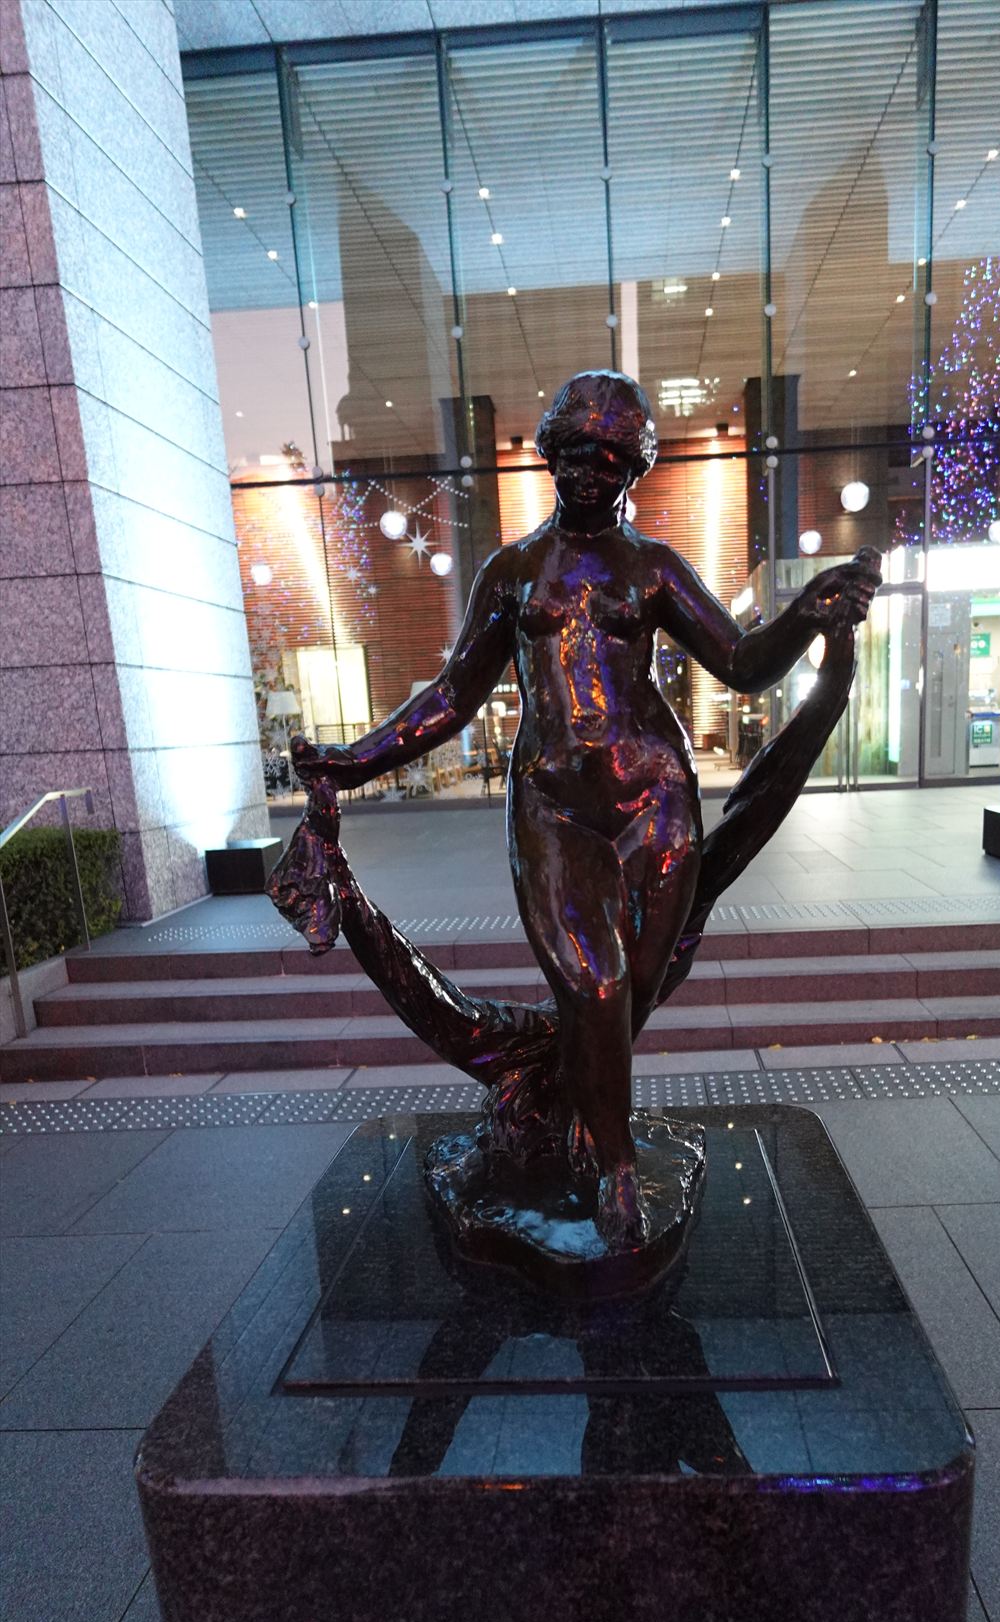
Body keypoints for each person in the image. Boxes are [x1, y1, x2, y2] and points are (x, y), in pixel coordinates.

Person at [291, 370, 879, 1244]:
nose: (592, 473)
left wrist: (807, 614)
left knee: (633, 992)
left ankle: (576, 1124)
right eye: (576, 454)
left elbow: (744, 663)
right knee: (593, 985)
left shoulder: (652, 567)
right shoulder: (513, 573)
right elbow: (451, 697)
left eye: (612, 459)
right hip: (553, 808)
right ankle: (616, 1169)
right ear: (550, 456)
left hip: (656, 804)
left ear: (635, 468)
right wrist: (351, 760)